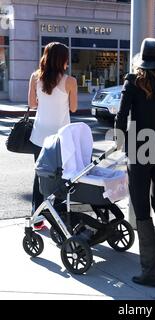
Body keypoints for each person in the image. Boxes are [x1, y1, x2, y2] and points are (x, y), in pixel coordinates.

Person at [115, 38, 155, 286]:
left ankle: (150, 272)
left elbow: (121, 117)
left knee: (142, 209)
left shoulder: (132, 83)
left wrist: (120, 142)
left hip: (139, 150)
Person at [28, 42, 78, 229]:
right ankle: (58, 217)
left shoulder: (35, 77)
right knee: (60, 177)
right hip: (61, 138)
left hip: (39, 136)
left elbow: (32, 104)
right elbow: (73, 108)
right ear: (63, 59)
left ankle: (37, 219)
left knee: (39, 176)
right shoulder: (70, 81)